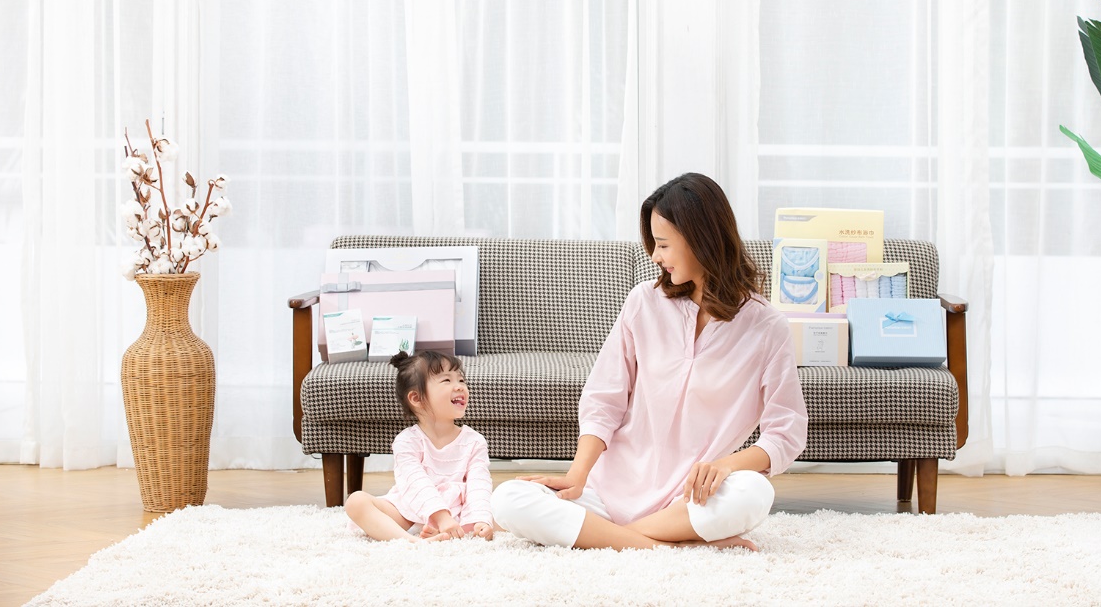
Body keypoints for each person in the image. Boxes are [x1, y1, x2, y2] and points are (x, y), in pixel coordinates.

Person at [491, 172, 808, 550]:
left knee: (754, 491)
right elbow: (604, 398)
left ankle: (608, 538)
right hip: (606, 495)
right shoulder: (643, 302)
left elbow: (786, 431)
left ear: (702, 240)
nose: (655, 256)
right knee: (507, 499)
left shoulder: (766, 326)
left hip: (689, 500)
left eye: (663, 244)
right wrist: (576, 475)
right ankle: (668, 546)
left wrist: (726, 466)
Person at [345, 350, 494, 542]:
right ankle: (413, 542)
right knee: (356, 501)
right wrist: (440, 517)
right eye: (447, 380)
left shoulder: (474, 441)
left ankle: (444, 531)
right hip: (408, 512)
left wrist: (481, 520)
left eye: (461, 380)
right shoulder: (406, 441)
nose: (459, 386)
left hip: (458, 513)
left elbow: (479, 483)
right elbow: (415, 482)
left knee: (507, 507)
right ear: (416, 398)